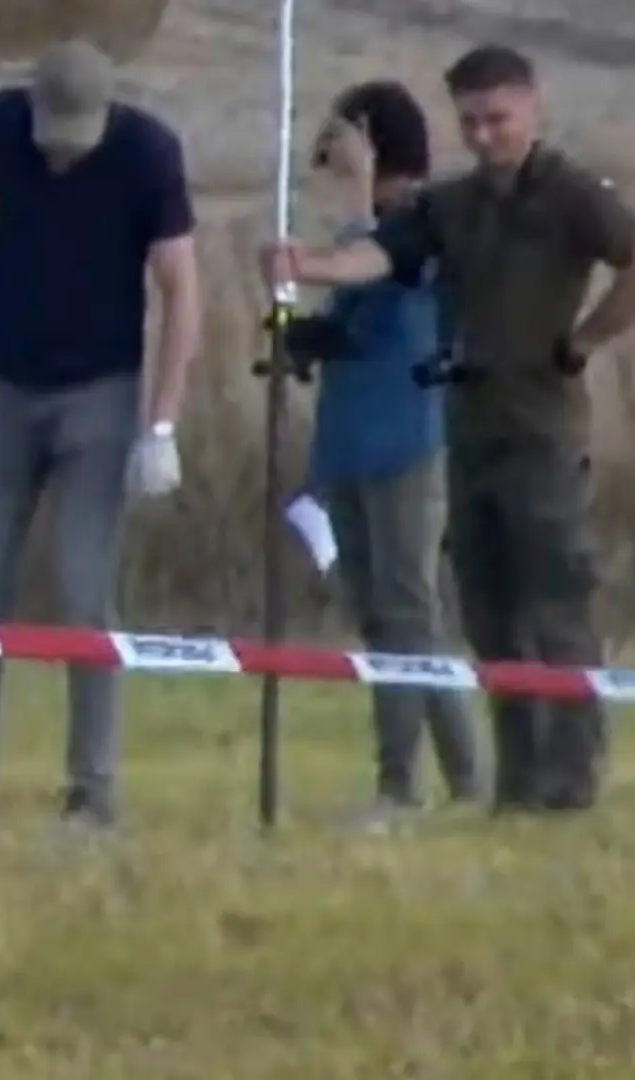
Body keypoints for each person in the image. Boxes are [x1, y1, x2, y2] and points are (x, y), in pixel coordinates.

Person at [261, 44, 635, 814]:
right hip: (467, 429)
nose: (485, 135)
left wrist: (586, 340)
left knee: (554, 606)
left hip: (542, 432)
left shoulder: (571, 195)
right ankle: (517, 780)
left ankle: (570, 780)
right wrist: (308, 265)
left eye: (498, 118)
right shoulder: (451, 206)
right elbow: (381, 254)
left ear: (531, 106)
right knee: (491, 616)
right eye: (470, 122)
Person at [0, 38, 201, 829]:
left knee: (85, 593)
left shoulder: (148, 155)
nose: (59, 154)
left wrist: (161, 422)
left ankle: (93, 789)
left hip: (99, 396)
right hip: (3, 390)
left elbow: (181, 291)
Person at [284, 81, 482, 822]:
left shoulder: (422, 227)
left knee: (408, 614)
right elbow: (357, 318)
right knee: (384, 618)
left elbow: (392, 278)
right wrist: (310, 338)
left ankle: (401, 787)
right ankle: (467, 780)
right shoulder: (358, 233)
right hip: (349, 440)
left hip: (407, 441)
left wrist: (359, 194)